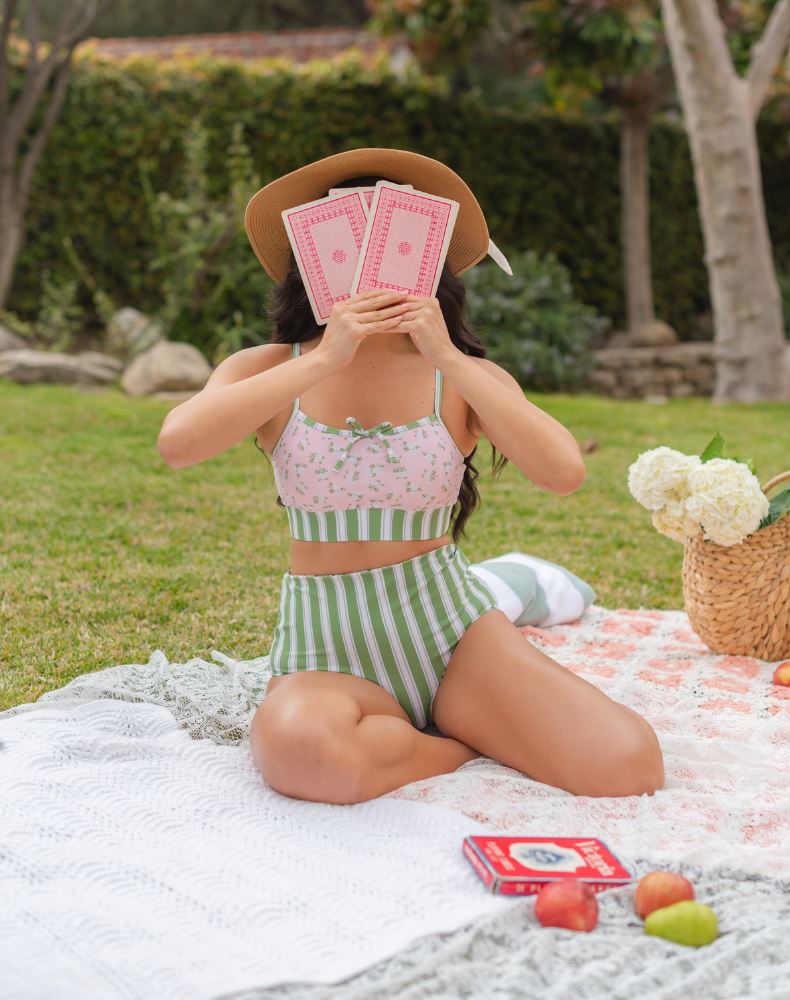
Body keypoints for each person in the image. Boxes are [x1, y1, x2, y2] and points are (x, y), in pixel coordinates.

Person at [157, 147, 665, 806]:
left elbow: (564, 472)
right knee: (300, 752)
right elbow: (178, 444)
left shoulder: (461, 376)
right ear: (313, 253)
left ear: (428, 254)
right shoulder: (266, 369)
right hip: (325, 647)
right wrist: (324, 356)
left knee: (627, 765)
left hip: (451, 635)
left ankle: (447, 714)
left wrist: (447, 355)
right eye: (348, 233)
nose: (370, 257)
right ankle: (456, 745)